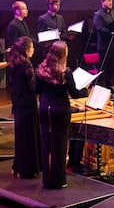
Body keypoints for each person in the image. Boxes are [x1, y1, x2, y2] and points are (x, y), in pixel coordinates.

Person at [35, 41, 87, 189]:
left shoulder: (41, 69)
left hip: (45, 109)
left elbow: (37, 90)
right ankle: (58, 180)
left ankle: (47, 179)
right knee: (59, 146)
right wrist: (85, 89)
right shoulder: (66, 72)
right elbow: (75, 94)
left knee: (46, 144)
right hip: (60, 111)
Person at [8, 36, 40, 178]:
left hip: (18, 105)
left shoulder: (15, 63)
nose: (33, 49)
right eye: (32, 47)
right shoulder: (27, 66)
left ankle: (17, 167)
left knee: (20, 138)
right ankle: (27, 169)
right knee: (29, 137)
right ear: (26, 50)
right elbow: (34, 88)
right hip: (28, 106)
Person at [93, 0, 114, 88]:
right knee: (102, 68)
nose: (111, 3)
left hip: (113, 44)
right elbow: (99, 28)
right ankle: (99, 87)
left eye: (111, 1)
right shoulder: (98, 14)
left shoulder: (113, 12)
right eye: (108, 1)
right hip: (103, 45)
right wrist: (111, 32)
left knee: (111, 67)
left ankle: (109, 86)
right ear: (102, 1)